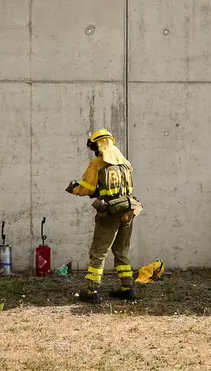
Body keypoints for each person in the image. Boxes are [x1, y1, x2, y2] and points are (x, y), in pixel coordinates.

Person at [66, 128, 141, 303]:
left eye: (95, 147)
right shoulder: (126, 164)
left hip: (110, 213)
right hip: (129, 210)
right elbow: (122, 189)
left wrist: (74, 189)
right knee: (121, 251)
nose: (95, 151)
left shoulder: (97, 164)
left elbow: (86, 189)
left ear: (100, 145)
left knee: (98, 252)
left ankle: (92, 292)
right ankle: (127, 288)